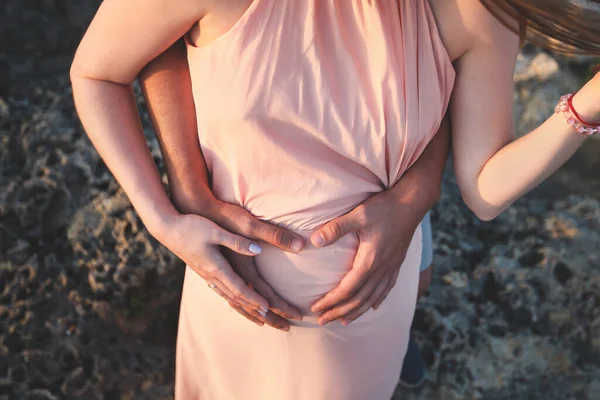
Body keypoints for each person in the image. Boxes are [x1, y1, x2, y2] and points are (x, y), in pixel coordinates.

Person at [69, 0, 600, 398]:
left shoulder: (476, 11)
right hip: (231, 298)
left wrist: (584, 108)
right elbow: (101, 69)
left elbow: (484, 191)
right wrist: (164, 217)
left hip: (359, 316)